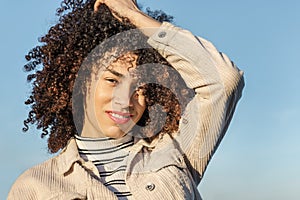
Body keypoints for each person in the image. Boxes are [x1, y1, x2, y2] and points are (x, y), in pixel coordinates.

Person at [8, 0, 244, 199]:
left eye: (140, 87)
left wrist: (135, 17)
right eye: (112, 80)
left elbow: (223, 80)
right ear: (79, 83)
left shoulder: (176, 151)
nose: (126, 100)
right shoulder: (34, 187)